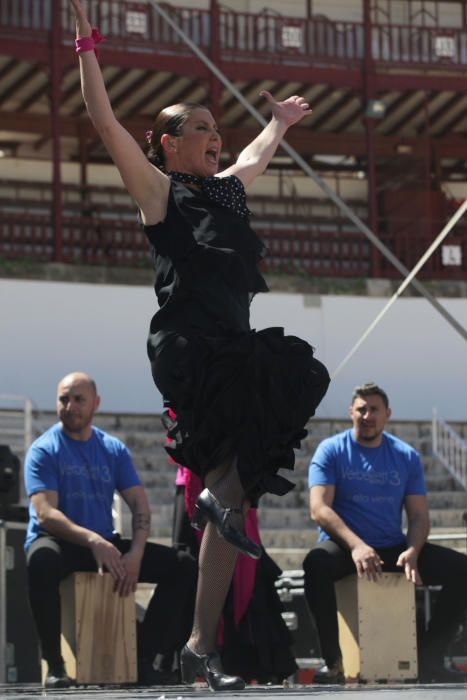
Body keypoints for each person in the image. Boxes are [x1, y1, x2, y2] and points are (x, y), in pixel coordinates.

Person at [70, 0, 330, 690]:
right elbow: (103, 122)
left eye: (218, 129)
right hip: (188, 347)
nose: (217, 137)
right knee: (226, 488)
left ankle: (196, 644)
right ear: (169, 143)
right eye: (202, 129)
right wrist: (86, 43)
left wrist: (278, 122)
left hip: (236, 347)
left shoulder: (227, 191)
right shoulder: (159, 192)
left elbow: (253, 156)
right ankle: (213, 514)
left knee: (234, 495)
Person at [24, 372, 197, 689]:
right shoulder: (43, 449)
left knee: (182, 565)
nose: (70, 406)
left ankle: (142, 659)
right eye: (64, 399)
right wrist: (92, 540)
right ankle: (55, 666)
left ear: (96, 403)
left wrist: (136, 554)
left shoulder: (112, 448)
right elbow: (45, 513)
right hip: (62, 542)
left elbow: (140, 506)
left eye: (79, 399)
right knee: (40, 561)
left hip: (103, 543)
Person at [303, 382, 467, 685]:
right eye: (361, 409)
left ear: (387, 414)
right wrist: (356, 546)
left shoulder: (405, 455)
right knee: (314, 564)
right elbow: (319, 509)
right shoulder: (331, 450)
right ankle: (333, 663)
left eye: (374, 409)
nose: (367, 415)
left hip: (392, 547)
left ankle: (429, 657)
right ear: (350, 412)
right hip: (346, 548)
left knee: (462, 570)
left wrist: (413, 550)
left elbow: (418, 516)